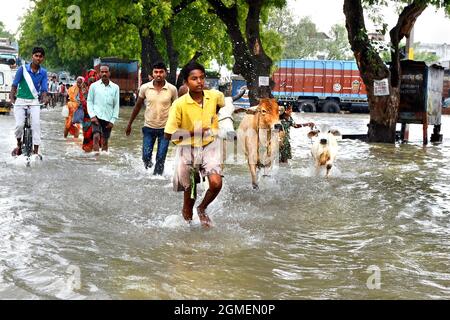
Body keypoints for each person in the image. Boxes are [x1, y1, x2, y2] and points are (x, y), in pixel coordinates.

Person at [164, 61, 225, 228]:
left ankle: (203, 208)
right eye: (194, 79)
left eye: (202, 78)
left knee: (216, 183)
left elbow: (220, 104)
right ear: (186, 82)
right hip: (187, 148)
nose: (199, 82)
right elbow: (168, 134)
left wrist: (212, 120)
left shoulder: (213, 96)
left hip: (209, 145)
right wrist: (194, 132)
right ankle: (189, 237)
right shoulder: (179, 104)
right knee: (189, 196)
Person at [126, 62, 178, 174]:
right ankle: (149, 175)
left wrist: (177, 128)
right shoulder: (145, 88)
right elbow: (137, 106)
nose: (158, 74)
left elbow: (176, 109)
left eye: (161, 72)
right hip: (149, 128)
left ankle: (157, 179)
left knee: (161, 158)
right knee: (145, 157)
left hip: (166, 129)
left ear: (166, 73)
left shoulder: (172, 89)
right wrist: (129, 124)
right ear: (152, 74)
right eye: (156, 72)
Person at [10, 47, 49, 157]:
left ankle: (36, 151)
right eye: (36, 55)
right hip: (21, 100)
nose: (38, 58)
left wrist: (45, 98)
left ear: (43, 58)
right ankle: (18, 144)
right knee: (19, 125)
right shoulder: (22, 69)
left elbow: (44, 89)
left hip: (34, 101)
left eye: (40, 56)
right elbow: (14, 85)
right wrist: (12, 98)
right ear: (32, 56)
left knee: (36, 125)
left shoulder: (43, 73)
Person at [87, 65, 120, 153]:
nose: (104, 74)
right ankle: (96, 159)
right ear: (99, 73)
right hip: (96, 116)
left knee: (105, 141)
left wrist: (112, 120)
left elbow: (116, 105)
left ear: (109, 73)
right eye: (102, 72)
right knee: (96, 137)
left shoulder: (115, 87)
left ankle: (104, 160)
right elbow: (89, 102)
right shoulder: (93, 86)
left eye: (106, 72)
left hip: (108, 117)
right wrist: (92, 116)